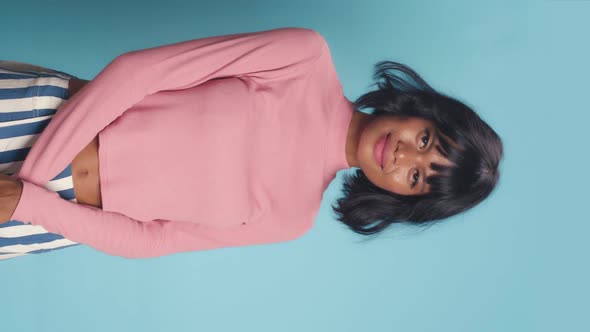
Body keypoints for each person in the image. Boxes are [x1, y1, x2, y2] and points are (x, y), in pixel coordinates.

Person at [0, 27, 503, 260]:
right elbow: (141, 72)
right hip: (36, 118)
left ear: (401, 197)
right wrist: (27, 187)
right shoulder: (305, 59)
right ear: (420, 111)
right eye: (425, 139)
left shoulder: (290, 219)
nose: (402, 156)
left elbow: (150, 239)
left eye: (416, 177)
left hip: (42, 221)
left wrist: (32, 208)